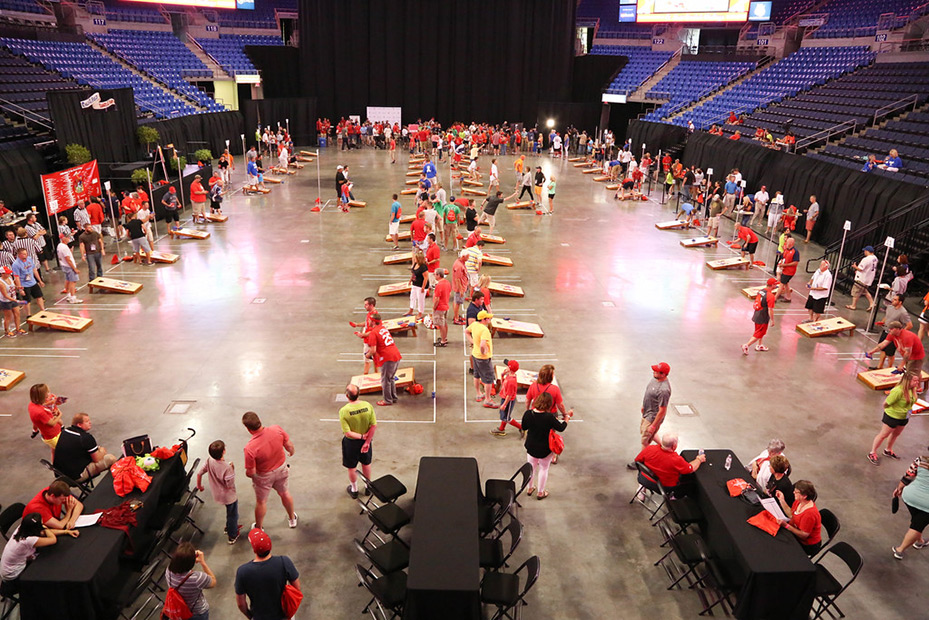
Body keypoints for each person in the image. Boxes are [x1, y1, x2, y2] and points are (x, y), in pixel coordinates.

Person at [242, 411, 297, 530]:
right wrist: (291, 452)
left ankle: (259, 527)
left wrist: (248, 473)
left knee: (261, 502)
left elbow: (251, 473)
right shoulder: (276, 429)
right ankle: (292, 519)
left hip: (264, 476)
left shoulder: (250, 448)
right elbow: (289, 446)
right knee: (284, 493)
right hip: (282, 469)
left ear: (248, 428)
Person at [235, 529, 300, 620]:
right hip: (283, 615)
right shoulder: (284, 562)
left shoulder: (243, 571)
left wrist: (250, 616)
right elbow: (297, 589)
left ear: (254, 550)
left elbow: (241, 603)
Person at [0, 512, 78, 586]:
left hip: (9, 567)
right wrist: (45, 528)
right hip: (13, 575)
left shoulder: (23, 528)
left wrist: (66, 532)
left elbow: (45, 533)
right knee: (50, 569)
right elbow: (53, 539)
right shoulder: (28, 540)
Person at [521, 392, 570, 500]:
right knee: (544, 468)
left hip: (531, 446)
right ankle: (540, 492)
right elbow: (561, 428)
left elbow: (523, 427)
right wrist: (567, 418)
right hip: (545, 448)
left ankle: (529, 488)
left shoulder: (528, 414)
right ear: (549, 404)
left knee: (531, 468)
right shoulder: (549, 417)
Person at [627, 363, 671, 473]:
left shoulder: (664, 390)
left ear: (664, 374)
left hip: (652, 417)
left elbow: (662, 410)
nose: (654, 372)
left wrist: (653, 425)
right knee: (647, 433)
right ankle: (663, 446)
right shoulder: (654, 379)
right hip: (647, 412)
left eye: (657, 371)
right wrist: (644, 406)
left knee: (645, 441)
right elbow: (648, 393)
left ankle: (641, 462)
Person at [868, 371, 919, 465]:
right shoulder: (898, 391)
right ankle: (872, 452)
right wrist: (891, 412)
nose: (917, 383)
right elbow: (886, 403)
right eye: (915, 381)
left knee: (896, 434)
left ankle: (888, 450)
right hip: (892, 416)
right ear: (907, 381)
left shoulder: (912, 389)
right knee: (883, 435)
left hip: (904, 417)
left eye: (917, 381)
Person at [634, 432, 705, 495]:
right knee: (690, 483)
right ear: (674, 446)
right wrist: (699, 459)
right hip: (663, 487)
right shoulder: (676, 460)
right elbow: (690, 469)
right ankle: (675, 496)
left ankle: (642, 488)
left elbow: (637, 460)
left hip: (643, 478)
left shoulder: (650, 448)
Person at [197, 440, 240, 544]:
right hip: (228, 496)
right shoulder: (227, 468)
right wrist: (232, 469)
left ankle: (229, 527)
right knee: (233, 514)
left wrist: (199, 486)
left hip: (217, 493)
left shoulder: (209, 460)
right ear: (223, 451)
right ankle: (232, 535)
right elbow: (229, 484)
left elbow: (199, 473)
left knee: (230, 513)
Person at [338, 384, 377, 499]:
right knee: (366, 463)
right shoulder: (367, 406)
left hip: (351, 443)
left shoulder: (344, 411)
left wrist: (361, 436)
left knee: (352, 467)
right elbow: (374, 425)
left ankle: (354, 489)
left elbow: (348, 433)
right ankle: (367, 487)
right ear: (358, 394)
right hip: (366, 441)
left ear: (347, 396)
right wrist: (367, 441)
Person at [53, 413, 117, 482]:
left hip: (61, 475)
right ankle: (119, 482)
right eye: (86, 421)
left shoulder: (65, 432)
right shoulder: (85, 438)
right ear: (79, 425)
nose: (90, 423)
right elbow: (97, 459)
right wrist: (102, 451)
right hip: (76, 477)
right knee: (111, 459)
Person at [165, 542, 216, 620]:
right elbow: (213, 582)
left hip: (179, 611)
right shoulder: (197, 578)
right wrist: (202, 562)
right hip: (196, 613)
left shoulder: (169, 570)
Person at [359, 313, 402, 407]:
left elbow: (373, 350)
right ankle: (393, 397)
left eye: (369, 320)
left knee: (385, 380)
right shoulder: (383, 328)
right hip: (396, 355)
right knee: (390, 378)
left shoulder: (373, 333)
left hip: (387, 358)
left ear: (373, 322)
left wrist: (367, 355)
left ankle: (387, 400)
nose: (368, 321)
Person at [891, 453, 929, 560]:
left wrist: (898, 489)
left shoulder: (921, 460)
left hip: (910, 497)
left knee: (917, 520)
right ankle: (900, 550)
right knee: (917, 526)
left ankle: (919, 541)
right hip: (927, 505)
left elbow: (908, 476)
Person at [775, 480, 822, 557]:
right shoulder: (798, 502)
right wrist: (782, 500)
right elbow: (791, 514)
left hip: (807, 544)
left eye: (796, 492)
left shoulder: (810, 514)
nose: (793, 492)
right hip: (795, 533)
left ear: (804, 496)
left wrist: (786, 526)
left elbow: (804, 535)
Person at [466, 310, 497, 407]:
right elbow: (483, 344)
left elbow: (466, 331)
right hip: (483, 358)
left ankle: (479, 394)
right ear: (484, 319)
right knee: (488, 379)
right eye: (488, 318)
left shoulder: (474, 324)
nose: (490, 319)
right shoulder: (485, 330)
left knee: (476, 375)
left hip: (475, 355)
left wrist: (473, 342)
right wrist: (483, 351)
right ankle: (487, 400)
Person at [873, 294, 912, 369]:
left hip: (894, 336)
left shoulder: (903, 312)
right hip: (886, 331)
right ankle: (879, 367)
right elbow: (887, 317)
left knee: (890, 353)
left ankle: (889, 368)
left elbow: (909, 325)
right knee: (882, 349)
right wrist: (882, 322)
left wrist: (899, 334)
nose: (892, 301)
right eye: (893, 299)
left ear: (900, 302)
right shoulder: (890, 307)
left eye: (895, 300)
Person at [743, 278, 777, 355]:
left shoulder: (761, 291)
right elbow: (770, 310)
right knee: (759, 333)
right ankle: (746, 345)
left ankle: (759, 345)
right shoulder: (771, 296)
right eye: (775, 284)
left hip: (757, 313)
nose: (776, 285)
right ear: (772, 285)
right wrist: (772, 320)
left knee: (759, 331)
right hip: (763, 317)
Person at [28, 383, 62, 456]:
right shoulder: (40, 412)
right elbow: (52, 423)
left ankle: (54, 465)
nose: (48, 394)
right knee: (65, 450)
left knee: (53, 451)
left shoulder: (32, 405)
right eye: (47, 392)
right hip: (53, 436)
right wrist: (60, 415)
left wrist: (52, 413)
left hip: (47, 435)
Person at [492, 359, 523, 437]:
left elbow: (509, 395)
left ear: (510, 368)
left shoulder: (511, 381)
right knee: (504, 415)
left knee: (506, 417)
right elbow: (503, 385)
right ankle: (501, 429)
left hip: (508, 401)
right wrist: (503, 375)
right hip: (505, 398)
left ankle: (521, 427)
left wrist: (504, 405)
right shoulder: (509, 376)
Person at [12, 246, 45, 314]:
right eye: (24, 254)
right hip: (24, 285)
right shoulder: (16, 264)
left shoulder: (29, 259)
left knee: (39, 296)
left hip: (33, 282)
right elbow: (16, 278)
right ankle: (28, 315)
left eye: (26, 253)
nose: (26, 255)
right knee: (27, 301)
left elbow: (34, 270)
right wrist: (20, 289)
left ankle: (43, 310)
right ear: (19, 255)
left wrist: (40, 281)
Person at [56, 232, 83, 304]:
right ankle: (72, 298)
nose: (69, 239)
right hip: (69, 267)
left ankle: (68, 295)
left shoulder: (59, 246)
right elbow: (68, 259)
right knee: (73, 281)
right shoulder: (64, 247)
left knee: (67, 280)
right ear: (64, 238)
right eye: (68, 237)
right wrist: (75, 268)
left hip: (64, 266)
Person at [0, 265, 22, 338]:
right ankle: (7, 331)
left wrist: (18, 287)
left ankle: (18, 329)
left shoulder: (10, 278)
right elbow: (5, 295)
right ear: (2, 273)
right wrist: (16, 300)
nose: (9, 274)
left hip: (13, 298)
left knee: (17, 313)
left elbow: (12, 286)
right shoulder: (1, 283)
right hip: (6, 301)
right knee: (8, 316)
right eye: (7, 273)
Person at [776, 236, 799, 302]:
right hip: (784, 269)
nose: (786, 243)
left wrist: (785, 265)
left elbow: (795, 263)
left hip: (789, 271)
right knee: (786, 284)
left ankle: (775, 298)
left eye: (787, 242)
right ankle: (788, 297)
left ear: (791, 243)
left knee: (782, 283)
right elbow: (783, 258)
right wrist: (781, 263)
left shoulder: (795, 252)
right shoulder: (786, 250)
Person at [432, 268, 450, 347]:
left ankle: (443, 341)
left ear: (439, 275)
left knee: (440, 324)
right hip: (446, 305)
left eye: (435, 274)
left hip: (440, 307)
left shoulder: (439, 285)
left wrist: (434, 307)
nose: (434, 275)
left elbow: (437, 298)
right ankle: (444, 338)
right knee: (444, 323)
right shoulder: (447, 282)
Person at [407, 249, 428, 320]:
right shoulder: (416, 264)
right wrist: (410, 280)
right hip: (415, 283)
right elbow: (413, 273)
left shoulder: (423, 267)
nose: (414, 259)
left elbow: (426, 278)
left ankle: (420, 313)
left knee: (420, 299)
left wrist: (423, 287)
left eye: (415, 258)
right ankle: (411, 310)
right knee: (412, 297)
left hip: (420, 285)